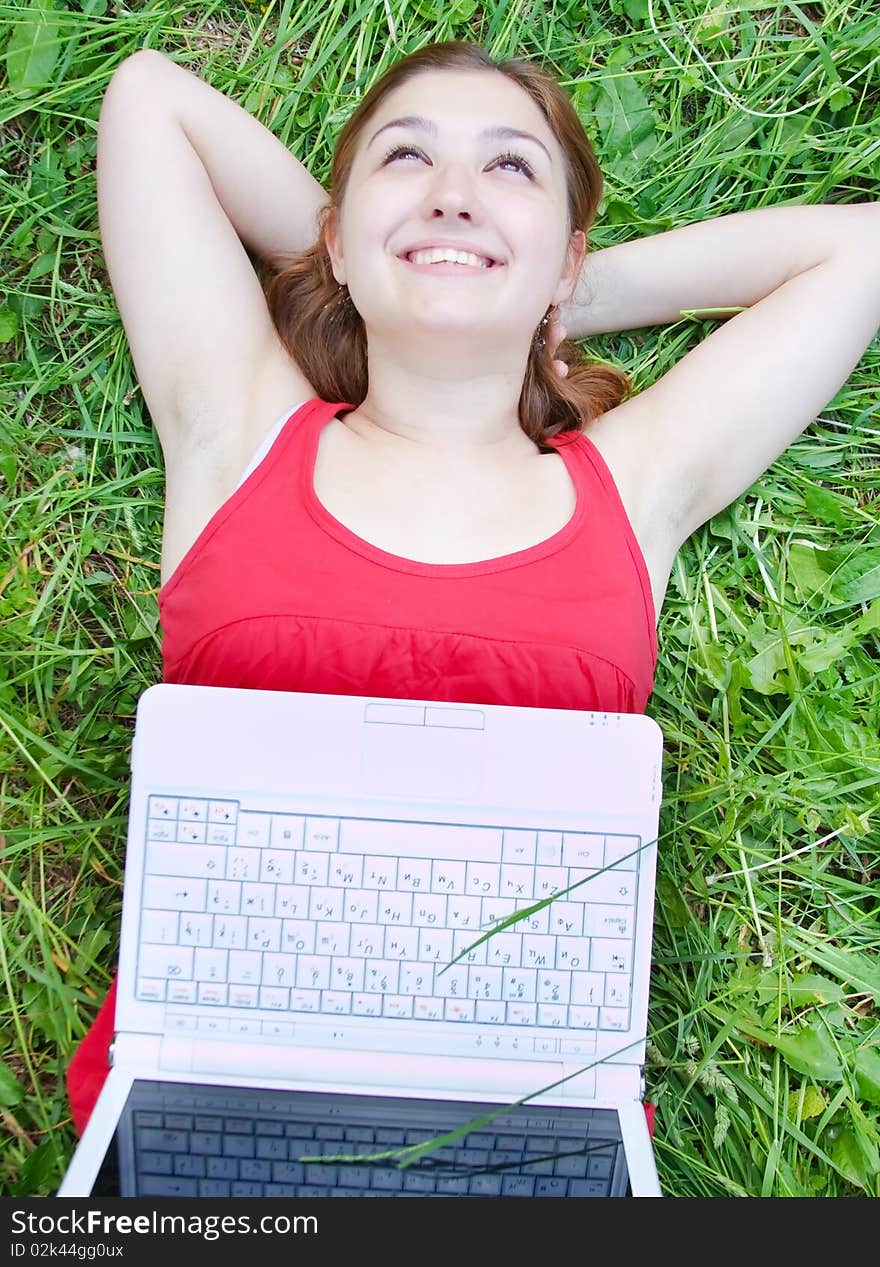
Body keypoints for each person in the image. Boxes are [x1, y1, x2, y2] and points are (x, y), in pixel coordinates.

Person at [67, 38, 880, 1137]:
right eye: (407, 159)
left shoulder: (633, 488)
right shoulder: (237, 434)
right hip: (205, 1104)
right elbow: (149, 98)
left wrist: (546, 287)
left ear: (567, 259)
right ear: (335, 242)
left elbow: (863, 250)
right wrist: (410, 248)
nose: (453, 194)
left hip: (513, 1125)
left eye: (509, 170)